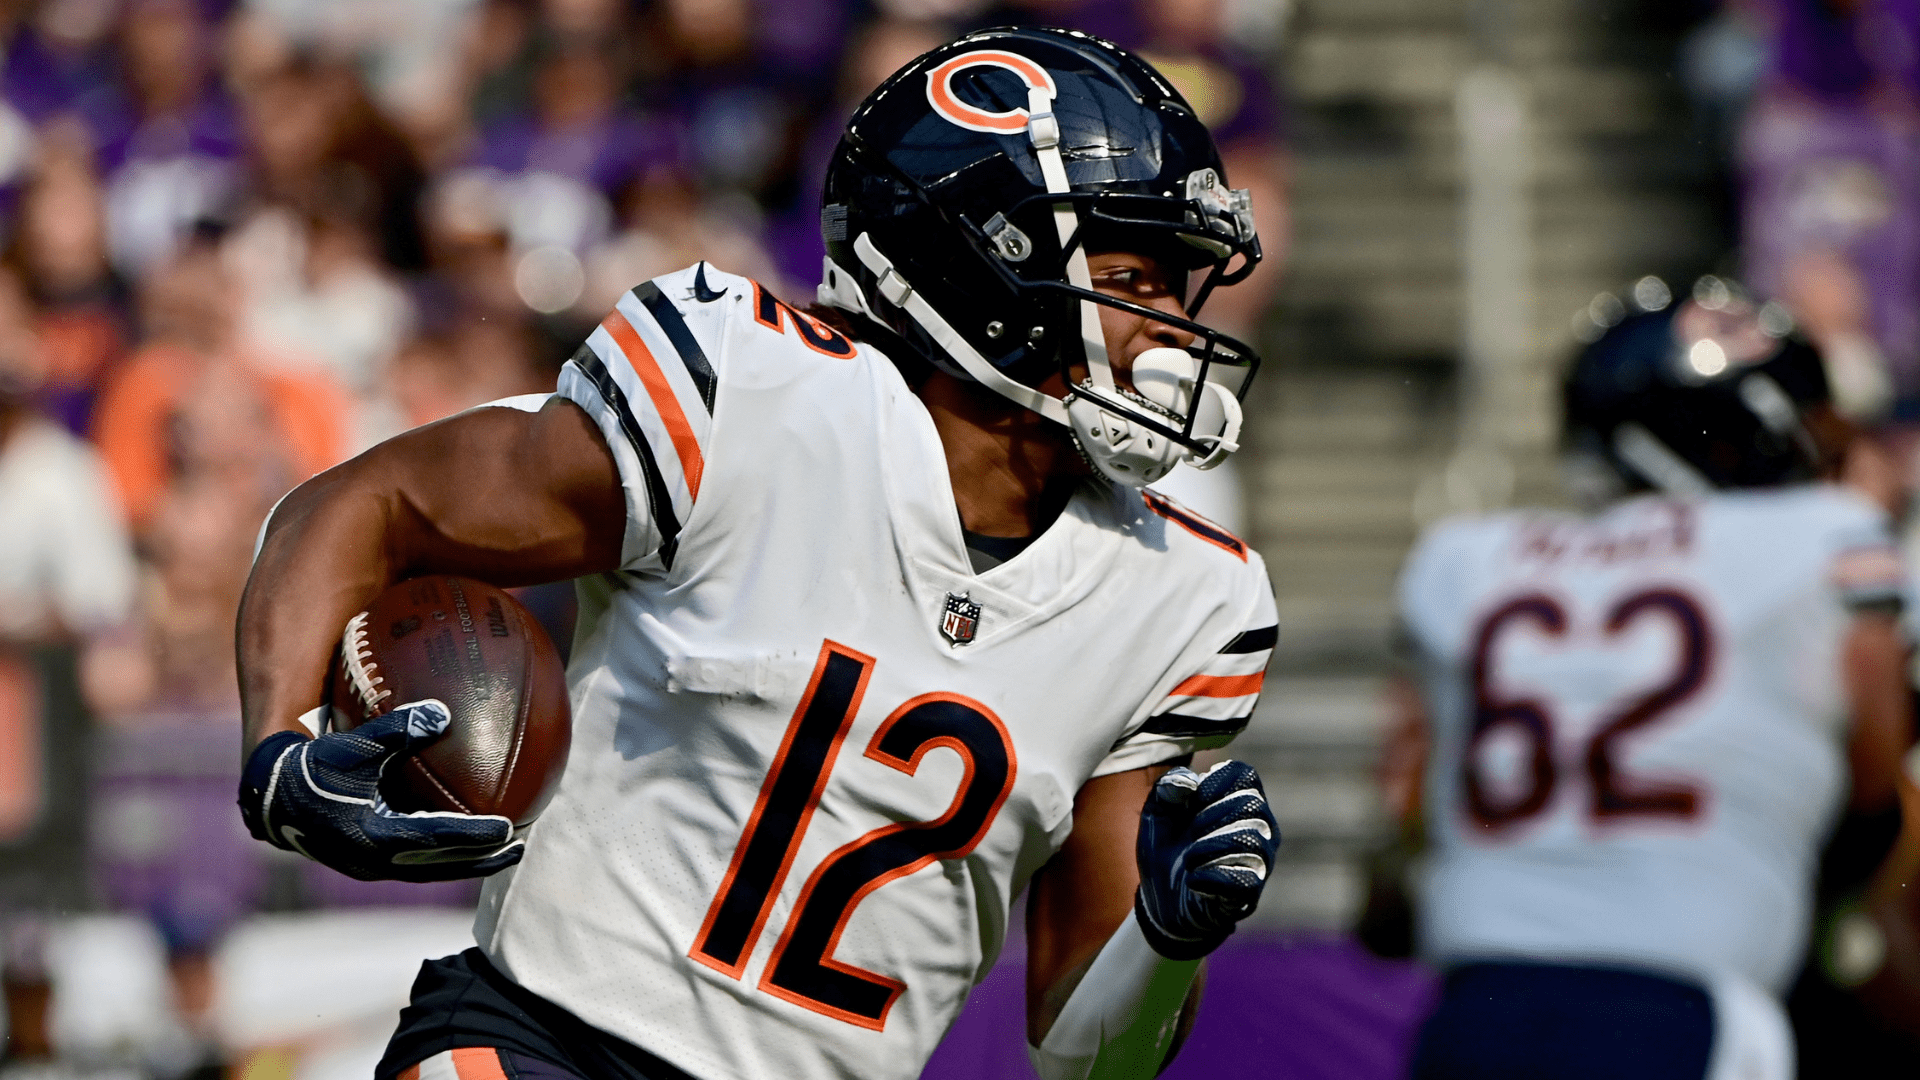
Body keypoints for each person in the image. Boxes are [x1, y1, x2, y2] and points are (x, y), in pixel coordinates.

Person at [234, 28, 1282, 1080]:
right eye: (1130, 278)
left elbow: (1087, 1061)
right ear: (983, 268)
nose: (1169, 329)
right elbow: (370, 501)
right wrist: (281, 745)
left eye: (1174, 289)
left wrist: (1165, 940)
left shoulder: (1184, 594)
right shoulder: (750, 394)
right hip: (545, 1042)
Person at [1387, 280, 1916, 1079]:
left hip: (1475, 1009)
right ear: (1745, 436)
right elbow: (1873, 782)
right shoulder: (1825, 541)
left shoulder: (1465, 559)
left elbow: (1406, 821)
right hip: (1684, 1008)